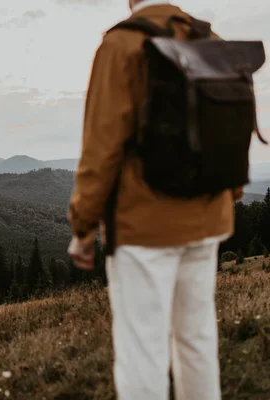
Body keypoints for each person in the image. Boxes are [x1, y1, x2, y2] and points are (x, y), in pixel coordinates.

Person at [67, 1, 245, 399]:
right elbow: (230, 130)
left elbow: (101, 149)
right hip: (208, 219)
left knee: (142, 352)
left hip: (143, 227)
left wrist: (83, 226)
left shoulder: (121, 45)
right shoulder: (208, 38)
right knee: (197, 341)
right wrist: (229, 197)